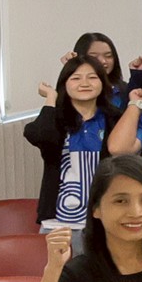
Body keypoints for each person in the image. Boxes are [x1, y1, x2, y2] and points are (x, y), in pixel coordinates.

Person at [26, 53, 123, 231]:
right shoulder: (56, 118)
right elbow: (41, 136)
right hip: (58, 220)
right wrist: (51, 97)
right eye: (76, 78)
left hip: (106, 219)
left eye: (92, 77)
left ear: (103, 82)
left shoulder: (115, 118)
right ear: (64, 84)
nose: (84, 83)